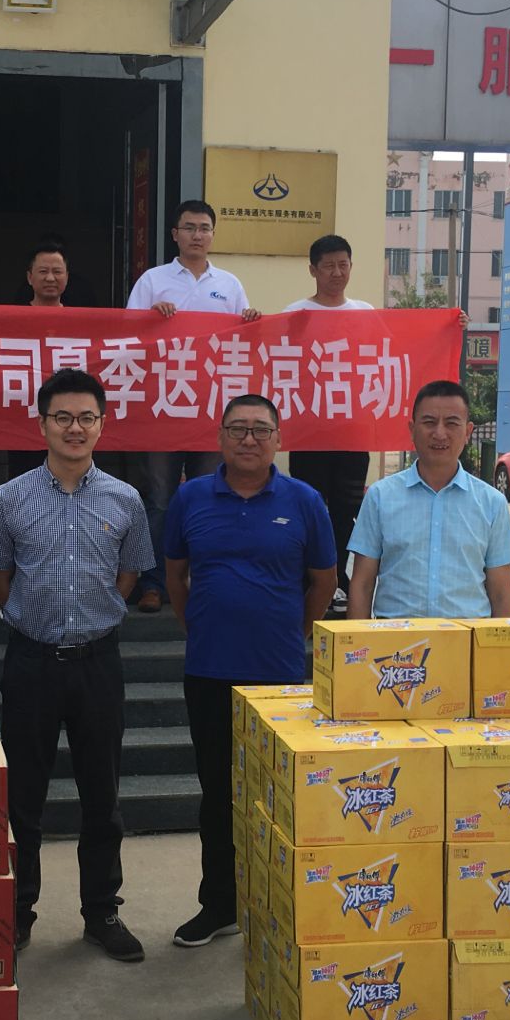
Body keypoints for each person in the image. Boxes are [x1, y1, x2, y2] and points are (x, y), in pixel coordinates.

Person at [0, 369, 152, 963]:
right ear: (42, 425)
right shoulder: (10, 498)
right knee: (22, 796)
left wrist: (96, 614)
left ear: (102, 425)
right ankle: (16, 911)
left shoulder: (125, 499)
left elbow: (129, 574)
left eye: (86, 418)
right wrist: (33, 618)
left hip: (98, 662)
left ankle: (102, 911)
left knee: (102, 795)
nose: (74, 428)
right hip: (31, 661)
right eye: (62, 417)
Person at [164, 394, 335, 948]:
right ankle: (219, 905)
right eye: (237, 428)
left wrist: (293, 633)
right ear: (220, 438)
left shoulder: (304, 500)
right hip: (209, 669)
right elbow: (175, 576)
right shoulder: (191, 497)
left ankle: (278, 905)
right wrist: (201, 627)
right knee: (217, 793)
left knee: (278, 793)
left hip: (278, 675)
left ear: (278, 440)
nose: (249, 439)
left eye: (261, 429)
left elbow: (324, 582)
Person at [126, 199, 261, 613]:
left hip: (211, 412)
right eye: (189, 227)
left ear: (213, 235)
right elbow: (128, 338)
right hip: (164, 409)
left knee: (210, 497)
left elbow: (243, 344)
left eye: (204, 228)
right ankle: (153, 584)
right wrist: (151, 318)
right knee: (160, 500)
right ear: (175, 234)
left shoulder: (229, 284)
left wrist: (252, 321)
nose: (197, 235)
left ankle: (204, 578)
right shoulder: (153, 281)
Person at [346, 380, 510, 620]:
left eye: (451, 423)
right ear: (412, 429)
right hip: (395, 640)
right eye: (429, 422)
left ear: (468, 432)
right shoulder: (380, 497)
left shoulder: (492, 503)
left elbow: (501, 593)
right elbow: (362, 584)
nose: (439, 433)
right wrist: (359, 640)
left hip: (467, 638)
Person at [284, 234, 375, 613]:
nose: (337, 273)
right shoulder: (296, 313)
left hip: (352, 433)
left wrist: (447, 325)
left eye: (343, 265)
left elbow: (390, 355)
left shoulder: (365, 313)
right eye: (328, 266)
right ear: (313, 270)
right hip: (309, 434)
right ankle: (312, 580)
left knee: (346, 510)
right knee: (311, 509)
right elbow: (278, 360)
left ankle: (337, 580)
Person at [7, 239, 72, 480]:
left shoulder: (82, 322)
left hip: (67, 417)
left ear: (67, 277)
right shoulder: (10, 320)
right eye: (43, 271)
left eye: (57, 271)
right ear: (29, 277)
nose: (50, 278)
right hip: (22, 417)